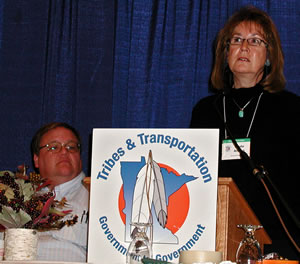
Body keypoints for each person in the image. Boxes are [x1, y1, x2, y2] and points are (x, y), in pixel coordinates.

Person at [190, 6, 300, 259]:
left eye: (255, 41)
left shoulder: (291, 108)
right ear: (226, 53)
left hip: (279, 241)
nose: (244, 47)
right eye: (237, 40)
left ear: (269, 56)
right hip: (218, 239)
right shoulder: (206, 111)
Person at [31, 122, 89, 262]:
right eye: (54, 147)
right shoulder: (17, 197)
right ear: (37, 159)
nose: (64, 152)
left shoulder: (99, 195)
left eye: (71, 147)